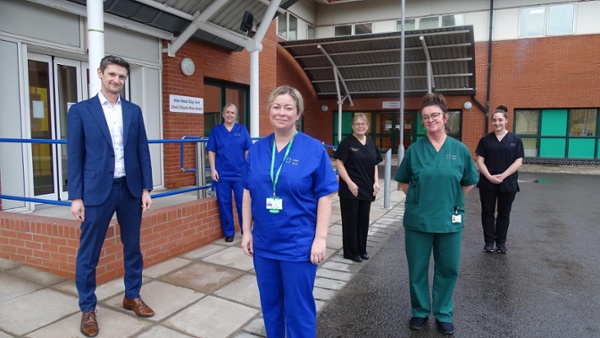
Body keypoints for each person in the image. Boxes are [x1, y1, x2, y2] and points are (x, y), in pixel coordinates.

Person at [240, 85, 338, 337]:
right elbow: (247, 193)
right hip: (264, 244)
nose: (281, 113)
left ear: (298, 113)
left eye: (288, 108)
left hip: (298, 245)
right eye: (276, 107)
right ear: (269, 110)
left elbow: (325, 196)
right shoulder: (257, 150)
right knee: (270, 305)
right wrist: (246, 232)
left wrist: (320, 239)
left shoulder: (313, 149)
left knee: (298, 308)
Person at [68, 55, 155, 337]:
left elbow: (142, 150)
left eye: (121, 76)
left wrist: (146, 189)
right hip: (96, 192)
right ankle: (88, 308)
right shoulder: (81, 111)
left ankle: (132, 296)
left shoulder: (133, 111)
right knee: (89, 253)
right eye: (112, 75)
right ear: (100, 74)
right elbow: (75, 156)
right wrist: (76, 196)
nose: (117, 80)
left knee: (133, 247)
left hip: (129, 189)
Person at [394, 93, 479, 336]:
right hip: (418, 220)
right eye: (425, 117)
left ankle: (443, 312)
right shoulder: (415, 150)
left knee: (449, 267)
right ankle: (420, 311)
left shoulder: (459, 150)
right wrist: (419, 200)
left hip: (449, 219)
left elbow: (469, 181)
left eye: (434, 116)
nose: (430, 120)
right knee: (417, 269)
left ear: (445, 118)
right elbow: (403, 181)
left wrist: (452, 199)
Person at [475, 105, 524, 254]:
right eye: (494, 120)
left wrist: (503, 175)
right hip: (487, 183)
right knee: (487, 212)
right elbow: (479, 161)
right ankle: (489, 242)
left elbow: (518, 161)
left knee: (504, 213)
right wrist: (489, 176)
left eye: (500, 120)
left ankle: (501, 243)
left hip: (508, 183)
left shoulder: (515, 140)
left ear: (506, 120)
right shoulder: (485, 140)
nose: (497, 123)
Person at [334, 113, 382, 262]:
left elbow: (374, 164)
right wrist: (349, 183)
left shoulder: (371, 143)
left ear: (367, 126)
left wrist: (376, 182)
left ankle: (362, 249)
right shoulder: (347, 143)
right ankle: (351, 252)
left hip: (367, 188)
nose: (360, 126)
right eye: (357, 124)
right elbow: (339, 164)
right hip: (350, 188)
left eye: (363, 124)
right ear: (352, 126)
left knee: (363, 221)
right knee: (351, 221)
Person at [207, 103, 252, 242]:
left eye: (232, 113)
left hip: (239, 174)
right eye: (227, 112)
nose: (230, 115)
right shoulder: (216, 131)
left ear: (236, 115)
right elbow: (211, 151)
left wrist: (248, 169)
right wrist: (213, 169)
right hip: (222, 174)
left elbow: (247, 151)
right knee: (224, 203)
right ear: (223, 114)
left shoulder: (242, 130)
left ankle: (246, 230)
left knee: (243, 202)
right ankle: (229, 232)